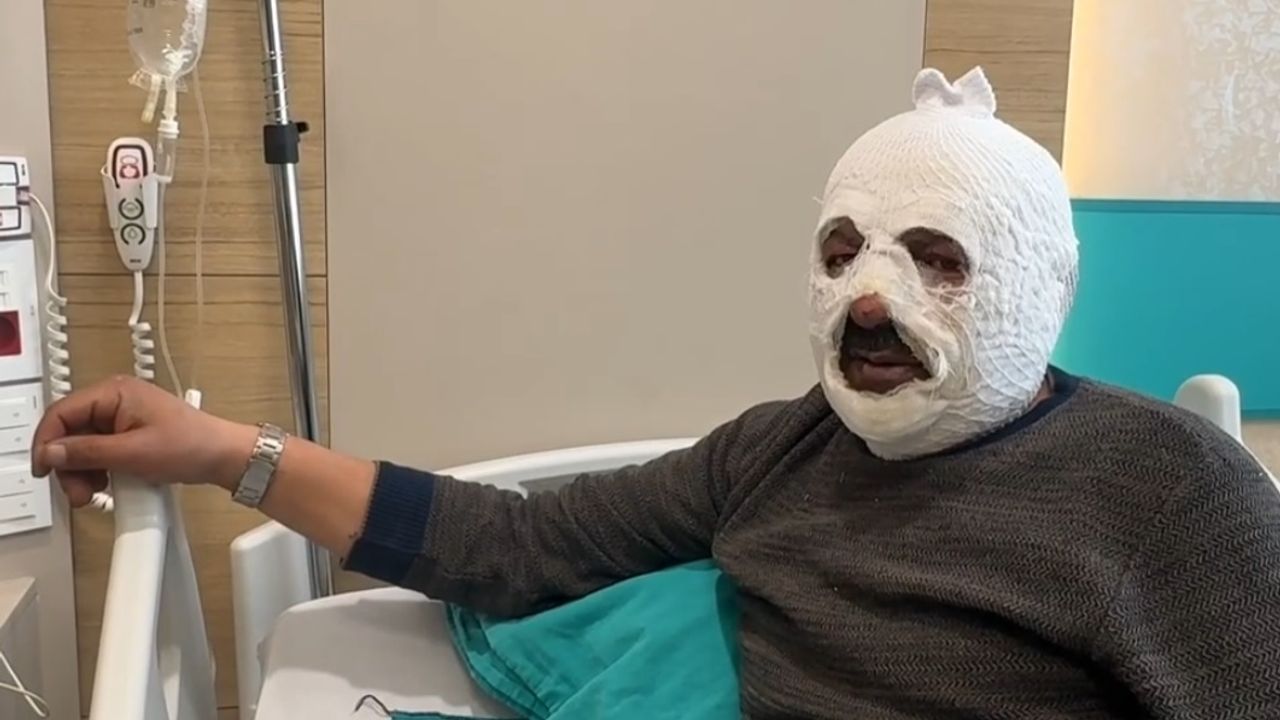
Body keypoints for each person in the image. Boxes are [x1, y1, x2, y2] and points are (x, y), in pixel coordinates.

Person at [33, 67, 1280, 719]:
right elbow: (515, 544)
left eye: (933, 260)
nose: (865, 300)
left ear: (1046, 284)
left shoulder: (1167, 492)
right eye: (840, 250)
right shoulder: (775, 458)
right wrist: (221, 451)